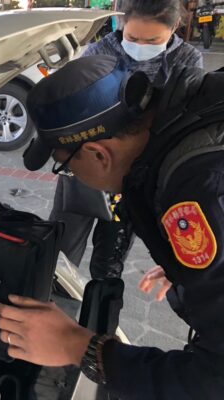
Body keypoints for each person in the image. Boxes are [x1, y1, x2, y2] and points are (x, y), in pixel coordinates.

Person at [0, 54, 224, 398]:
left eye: (66, 167)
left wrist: (76, 346)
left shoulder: (197, 188)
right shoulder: (193, 112)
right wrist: (194, 263)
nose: (73, 176)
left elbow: (215, 381)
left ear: (98, 154)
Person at [50, 0, 203, 280]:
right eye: (132, 38)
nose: (140, 46)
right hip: (90, 162)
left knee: (110, 259)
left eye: (152, 40)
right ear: (122, 24)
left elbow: (183, 121)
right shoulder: (100, 52)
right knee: (60, 249)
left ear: (174, 28)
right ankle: (51, 292)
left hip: (135, 173)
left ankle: (101, 304)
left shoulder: (186, 60)